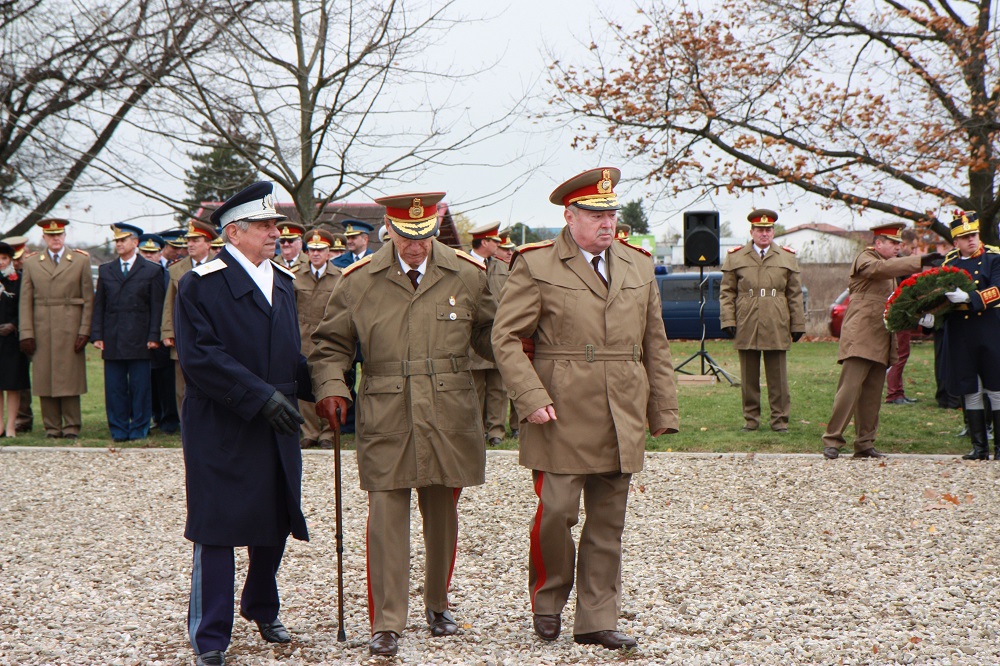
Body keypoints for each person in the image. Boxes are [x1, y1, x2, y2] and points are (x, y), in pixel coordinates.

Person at [491, 167, 678, 650]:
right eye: (595, 214)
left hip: (622, 407)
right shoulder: (536, 264)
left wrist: (663, 411)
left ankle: (597, 617)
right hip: (561, 407)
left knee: (608, 520)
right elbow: (506, 338)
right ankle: (548, 599)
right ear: (569, 217)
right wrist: (530, 398)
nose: (606, 222)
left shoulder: (637, 265)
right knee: (556, 512)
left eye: (611, 212)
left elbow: (654, 342)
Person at [309, 190, 495, 658]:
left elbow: (495, 335)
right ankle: (387, 622)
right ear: (387, 230)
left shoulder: (468, 275)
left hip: (448, 409)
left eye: (426, 235)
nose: (417, 246)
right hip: (387, 409)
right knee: (386, 518)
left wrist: (524, 353)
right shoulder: (357, 281)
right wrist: (333, 386)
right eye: (407, 236)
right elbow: (330, 345)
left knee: (442, 514)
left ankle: (437, 604)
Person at [176, 182, 310, 666]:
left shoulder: (283, 280)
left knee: (273, 519)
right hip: (222, 424)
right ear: (235, 232)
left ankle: (260, 605)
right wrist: (260, 397)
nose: (277, 232)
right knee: (216, 528)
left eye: (276, 225)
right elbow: (201, 358)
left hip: (275, 422)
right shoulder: (201, 283)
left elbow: (290, 354)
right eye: (267, 226)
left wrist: (326, 388)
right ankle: (210, 633)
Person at [821, 222, 937, 459]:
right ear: (878, 243)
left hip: (881, 337)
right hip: (861, 336)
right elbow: (879, 270)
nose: (897, 248)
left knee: (872, 394)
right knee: (849, 390)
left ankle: (864, 443)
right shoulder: (866, 259)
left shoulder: (889, 272)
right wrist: (920, 261)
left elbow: (897, 301)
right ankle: (832, 440)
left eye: (899, 244)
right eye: (893, 243)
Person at [719, 208, 805, 432]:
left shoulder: (787, 257)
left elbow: (794, 294)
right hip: (747, 319)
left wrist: (798, 324)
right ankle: (751, 419)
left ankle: (779, 420)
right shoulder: (736, 256)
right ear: (752, 231)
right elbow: (727, 292)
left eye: (767, 229)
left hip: (777, 319)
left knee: (778, 377)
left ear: (773, 232)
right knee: (749, 377)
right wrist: (728, 320)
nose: (764, 234)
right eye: (759, 230)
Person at [18, 218, 94, 439]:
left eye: (59, 235)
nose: (55, 239)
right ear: (44, 238)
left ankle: (71, 426)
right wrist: (26, 333)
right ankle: (51, 427)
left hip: (71, 326)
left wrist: (85, 330)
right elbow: (25, 301)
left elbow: (89, 299)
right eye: (51, 236)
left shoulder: (79, 261)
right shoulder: (32, 263)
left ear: (65, 236)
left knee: (70, 378)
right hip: (41, 326)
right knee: (45, 378)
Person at [90, 224, 165, 442]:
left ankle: (139, 428)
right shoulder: (106, 270)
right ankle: (118, 429)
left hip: (140, 339)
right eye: (116, 240)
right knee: (115, 389)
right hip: (113, 338)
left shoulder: (151, 271)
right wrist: (97, 335)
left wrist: (154, 337)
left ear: (135, 243)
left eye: (123, 240)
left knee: (140, 388)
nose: (119, 244)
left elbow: (156, 307)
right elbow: (99, 306)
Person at [938, 211, 1000, 460]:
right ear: (956, 242)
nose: (971, 240)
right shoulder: (949, 263)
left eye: (973, 235)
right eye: (965, 237)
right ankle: (979, 447)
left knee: (995, 386)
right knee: (970, 387)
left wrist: (971, 297)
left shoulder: (994, 257)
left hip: (990, 328)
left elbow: (998, 290)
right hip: (961, 331)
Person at [161, 220, 219, 420]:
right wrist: (168, 332)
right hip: (184, 335)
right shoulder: (177, 269)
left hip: (214, 335)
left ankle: (212, 423)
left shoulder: (221, 265)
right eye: (188, 240)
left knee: (213, 381)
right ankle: (187, 423)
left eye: (196, 240)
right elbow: (170, 303)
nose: (190, 244)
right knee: (183, 385)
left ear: (208, 243)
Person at [292, 228, 341, 449]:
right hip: (302, 336)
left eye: (320, 250)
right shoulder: (295, 276)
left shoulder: (340, 277)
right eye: (311, 250)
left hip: (328, 336)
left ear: (329, 252)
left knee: (328, 382)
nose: (315, 254)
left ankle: (328, 433)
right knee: (304, 385)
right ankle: (309, 432)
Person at [467, 221, 507, 445]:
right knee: (475, 388)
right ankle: (476, 430)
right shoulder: (463, 265)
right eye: (495, 241)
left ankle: (496, 432)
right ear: (484, 242)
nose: (498, 244)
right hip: (473, 337)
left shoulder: (502, 267)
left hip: (499, 335)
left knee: (498, 389)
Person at [139, 233, 179, 435]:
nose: (148, 256)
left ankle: (168, 419)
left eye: (152, 253)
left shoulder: (167, 274)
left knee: (166, 381)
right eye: (144, 252)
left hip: (162, 336)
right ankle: (152, 416)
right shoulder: (136, 274)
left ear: (159, 253)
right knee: (147, 381)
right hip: (140, 336)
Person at [2, 235, 34, 433]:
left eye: (4, 258)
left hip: (13, 340)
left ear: (10, 260)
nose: (1, 262)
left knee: (13, 384)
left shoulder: (19, 280)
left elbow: (25, 307)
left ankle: (12, 425)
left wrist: (14, 325)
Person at [885, 228, 920, 405]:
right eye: (912, 248)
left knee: (902, 354)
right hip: (899, 316)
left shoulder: (901, 264)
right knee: (899, 355)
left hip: (904, 315)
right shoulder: (898, 265)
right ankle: (893, 393)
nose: (914, 252)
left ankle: (898, 391)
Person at [490, 232, 518, 436]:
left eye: (511, 250)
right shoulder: (484, 267)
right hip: (487, 332)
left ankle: (515, 427)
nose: (509, 253)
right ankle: (490, 428)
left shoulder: (512, 269)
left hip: (511, 331)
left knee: (508, 386)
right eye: (505, 250)